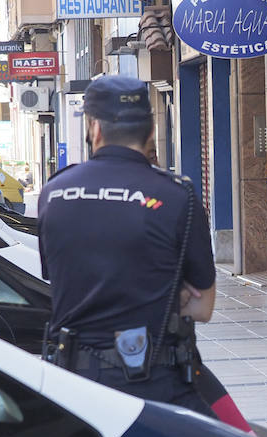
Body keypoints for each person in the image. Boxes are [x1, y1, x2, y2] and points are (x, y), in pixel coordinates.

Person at [37, 75, 217, 416]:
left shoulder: (53, 194)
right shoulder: (179, 196)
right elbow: (203, 307)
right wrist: (167, 291)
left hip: (75, 387)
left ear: (95, 129)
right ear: (150, 133)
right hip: (157, 388)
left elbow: (60, 280)